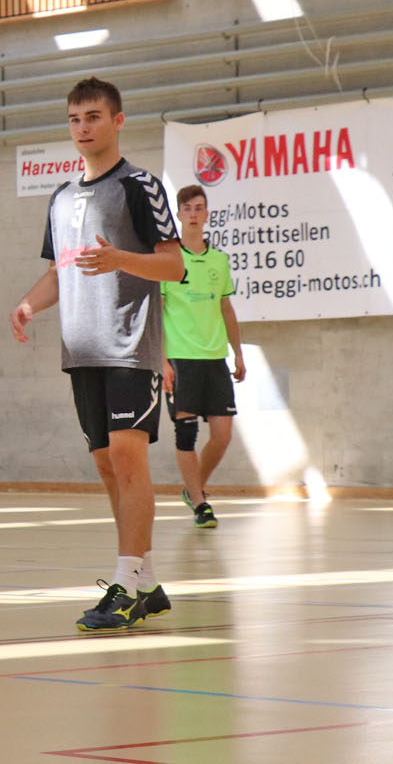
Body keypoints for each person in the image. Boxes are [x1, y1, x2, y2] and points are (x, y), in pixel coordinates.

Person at [9, 77, 183, 631]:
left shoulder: (140, 186)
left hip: (130, 347)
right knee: (108, 466)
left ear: (117, 121)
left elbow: (174, 265)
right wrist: (29, 304)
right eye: (74, 119)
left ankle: (125, 585)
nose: (82, 128)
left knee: (129, 460)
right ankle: (146, 581)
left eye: (93, 117)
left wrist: (121, 260)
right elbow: (58, 271)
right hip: (81, 350)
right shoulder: (61, 197)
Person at [161, 184, 245, 530]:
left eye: (199, 208)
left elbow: (226, 308)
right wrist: (162, 362)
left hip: (215, 358)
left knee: (222, 435)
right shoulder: (167, 260)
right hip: (180, 358)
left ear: (207, 214)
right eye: (187, 209)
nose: (193, 214)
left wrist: (238, 354)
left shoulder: (218, 260)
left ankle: (192, 488)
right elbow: (156, 313)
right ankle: (200, 504)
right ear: (179, 215)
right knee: (186, 434)